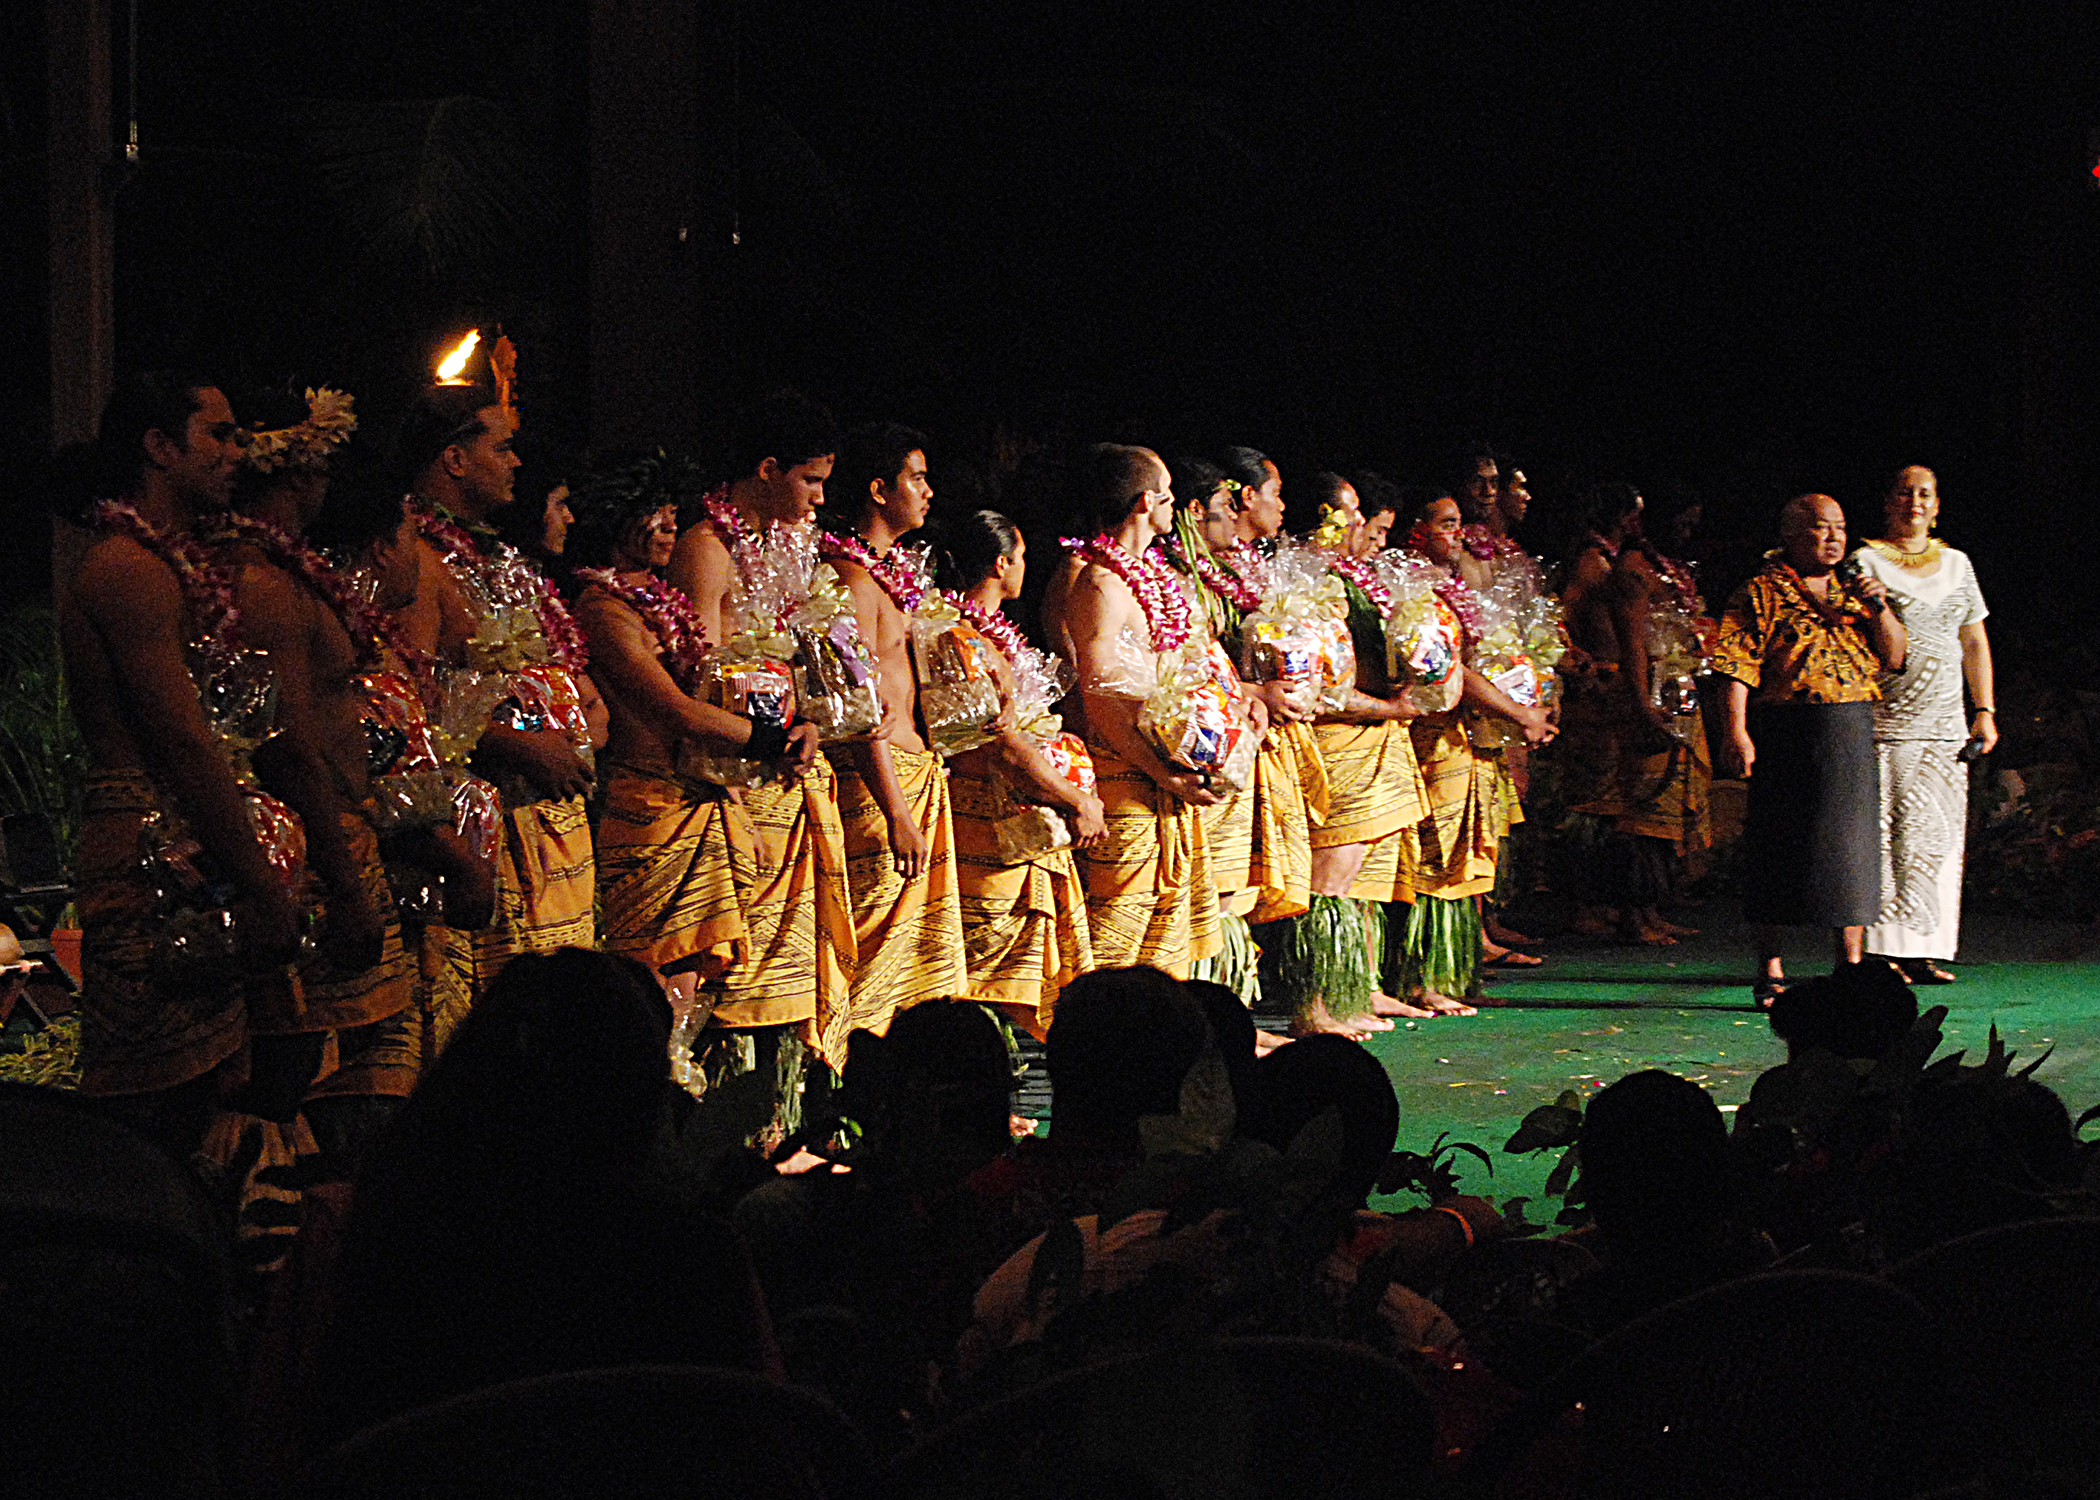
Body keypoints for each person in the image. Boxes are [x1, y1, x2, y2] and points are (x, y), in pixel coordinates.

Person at [308, 949, 776, 1444]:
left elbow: (288, 1435)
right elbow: (767, 1443)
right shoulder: (694, 1262)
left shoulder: (375, 1234)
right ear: (639, 1108)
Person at [56, 373, 304, 1156]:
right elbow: (187, 743)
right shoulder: (125, 569)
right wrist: (263, 887)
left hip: (191, 840)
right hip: (146, 848)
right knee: (158, 1118)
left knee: (223, 1102)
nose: (241, 452)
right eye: (221, 434)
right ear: (160, 448)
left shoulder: (169, 565)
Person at [569, 454, 822, 1076]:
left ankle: (686, 1096)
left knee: (699, 980)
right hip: (648, 806)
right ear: (618, 518)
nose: (668, 528)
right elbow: (676, 712)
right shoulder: (603, 611)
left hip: (698, 796)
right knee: (657, 979)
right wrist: (772, 737)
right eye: (654, 514)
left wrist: (789, 730)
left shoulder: (657, 604)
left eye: (672, 514)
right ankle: (655, 1102)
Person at [665, 392, 854, 1130]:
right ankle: (721, 1126)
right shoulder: (705, 548)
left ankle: (781, 1117)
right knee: (731, 978)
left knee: (788, 976)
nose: (818, 497)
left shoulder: (785, 552)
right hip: (730, 789)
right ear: (767, 470)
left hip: (785, 781)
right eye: (810, 481)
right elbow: (700, 676)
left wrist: (807, 716)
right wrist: (765, 735)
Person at [390, 385, 601, 997]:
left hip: (548, 820)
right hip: (480, 825)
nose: (516, 463)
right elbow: (409, 700)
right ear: (454, 459)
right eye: (503, 448)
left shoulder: (497, 556)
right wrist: (525, 749)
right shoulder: (417, 557)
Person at [1714, 494, 1907, 1005]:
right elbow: (1736, 667)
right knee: (1779, 848)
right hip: (1787, 730)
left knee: (1853, 850)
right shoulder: (1760, 591)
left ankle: (1850, 967)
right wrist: (1738, 733)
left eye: (1840, 528)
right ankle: (1772, 966)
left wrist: (1880, 605)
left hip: (1849, 730)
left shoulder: (1853, 592)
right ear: (1791, 535)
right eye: (1821, 529)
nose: (1834, 538)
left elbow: (1894, 655)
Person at [1041, 445, 1223, 978]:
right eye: (1168, 492)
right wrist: (1161, 770)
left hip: (1164, 771)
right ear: (1148, 501)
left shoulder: (1153, 576)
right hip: (1127, 772)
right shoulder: (1100, 584)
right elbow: (1100, 697)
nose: (1175, 505)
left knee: (1168, 925)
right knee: (1122, 927)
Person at [817, 423, 969, 1037]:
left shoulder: (897, 574)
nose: (930, 491)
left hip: (916, 777)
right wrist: (897, 812)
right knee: (873, 961)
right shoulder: (849, 579)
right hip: (878, 792)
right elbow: (857, 707)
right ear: (880, 489)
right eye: (918, 477)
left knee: (916, 970)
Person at [1154, 453, 1322, 1008]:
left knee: (1239, 889)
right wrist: (1255, 695)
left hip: (1242, 739)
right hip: (1209, 745)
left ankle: (1232, 1021)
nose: (1232, 519)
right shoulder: (1173, 580)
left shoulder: (1226, 576)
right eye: (1225, 506)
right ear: (1196, 512)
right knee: (1217, 891)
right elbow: (1176, 676)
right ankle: (1218, 1024)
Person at [934, 508, 1102, 1039]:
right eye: (1024, 557)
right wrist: (1074, 798)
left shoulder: (983, 635)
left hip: (1011, 812)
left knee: (1012, 972)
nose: (1026, 567)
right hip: (984, 819)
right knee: (985, 969)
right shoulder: (953, 638)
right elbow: (996, 743)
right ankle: (985, 1084)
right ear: (1002, 564)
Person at [1396, 495, 1553, 1009]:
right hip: (1435, 740)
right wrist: (1518, 712)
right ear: (1414, 530)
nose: (1458, 536)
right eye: (1446, 525)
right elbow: (1450, 671)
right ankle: (1423, 980)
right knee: (1436, 861)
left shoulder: (1448, 590)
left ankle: (1456, 973)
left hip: (1467, 739)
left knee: (1467, 859)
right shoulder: (1411, 593)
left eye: (1461, 525)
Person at [1855, 466, 1994, 984]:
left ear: (1937, 505)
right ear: (1888, 502)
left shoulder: (1958, 564)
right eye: (1904, 492)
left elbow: (1974, 641)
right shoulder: (1864, 561)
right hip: (1887, 719)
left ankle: (1923, 948)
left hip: (1945, 723)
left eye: (1925, 494)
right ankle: (1879, 952)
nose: (1915, 501)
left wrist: (1984, 709)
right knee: (1887, 834)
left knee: (1936, 834)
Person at [1556, 484, 1711, 945]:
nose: (1688, 532)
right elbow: (1632, 641)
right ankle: (1624, 912)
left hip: (1655, 692)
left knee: (1654, 807)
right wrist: (1641, 704)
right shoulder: (1624, 569)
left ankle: (1647, 908)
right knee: (1633, 812)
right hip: (1626, 696)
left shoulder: (1658, 570)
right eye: (1681, 522)